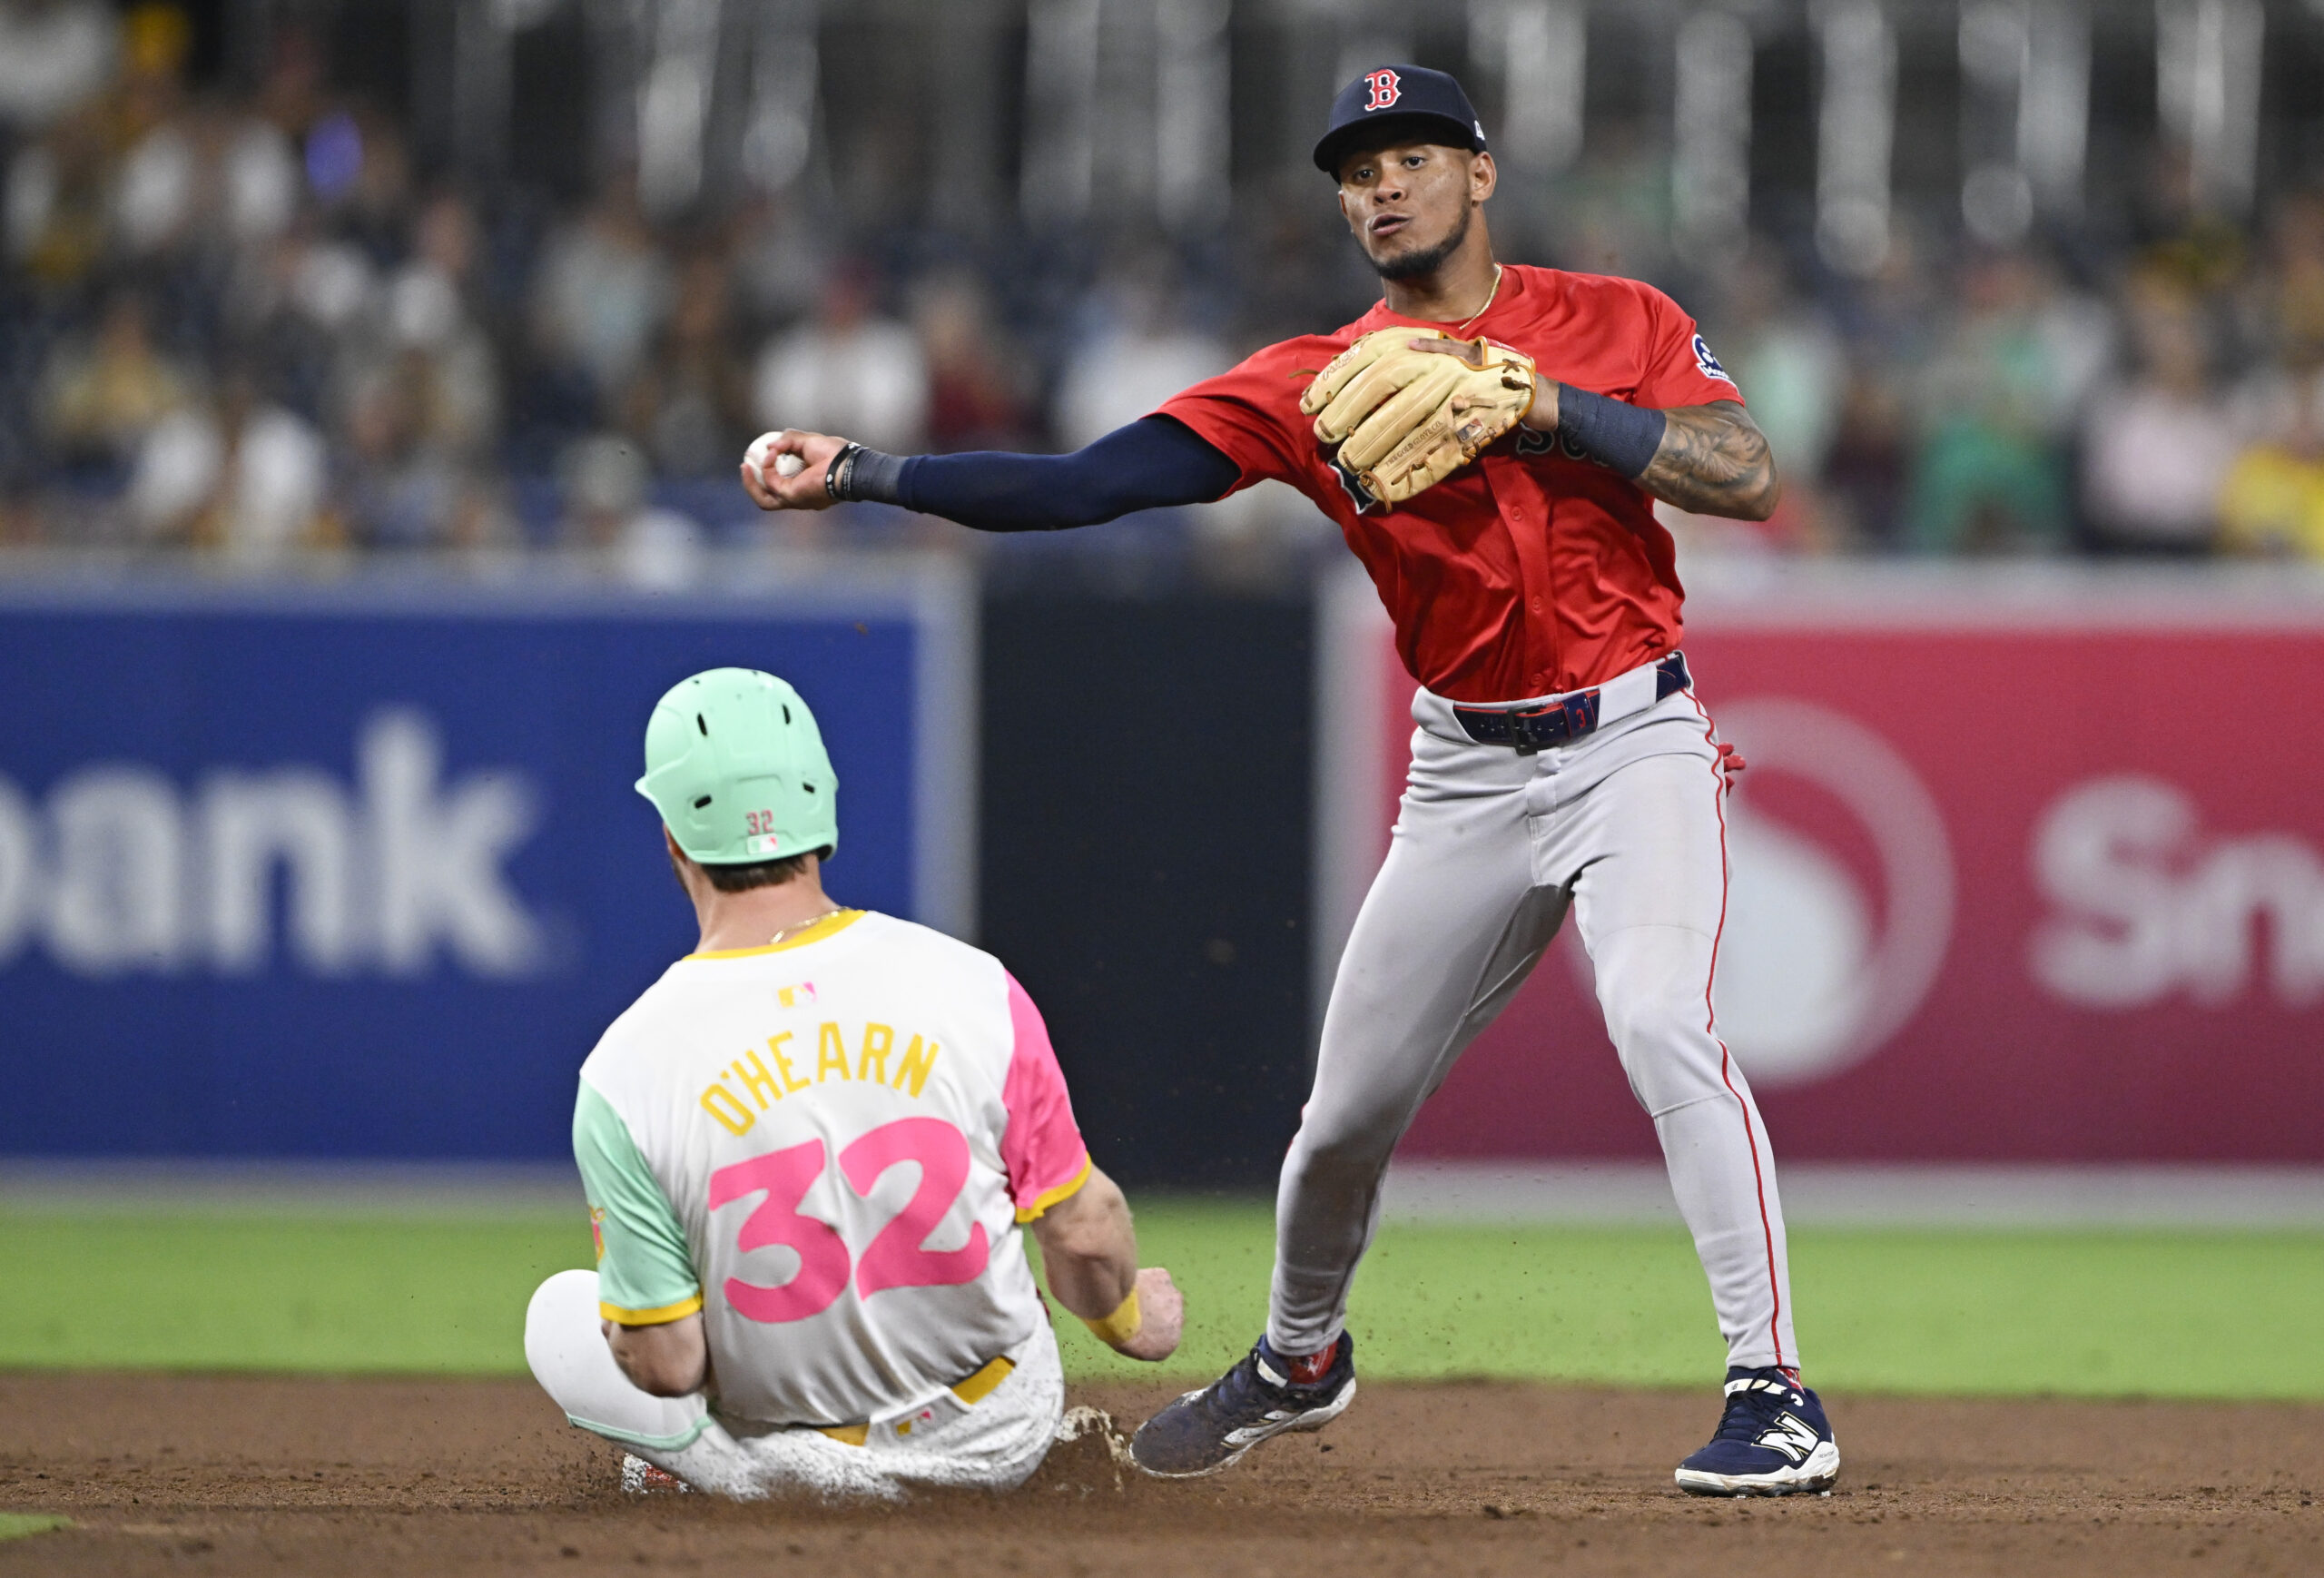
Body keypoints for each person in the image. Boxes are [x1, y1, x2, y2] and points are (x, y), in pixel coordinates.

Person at [738, 64, 1837, 1498]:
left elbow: (1748, 474)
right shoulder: (1315, 381)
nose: (1380, 185)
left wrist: (1548, 406)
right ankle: (1300, 1356)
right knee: (1339, 1123)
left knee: (1657, 1018)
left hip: (1635, 740)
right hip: (1462, 772)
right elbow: (1089, 483)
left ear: (1480, 174)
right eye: (1354, 166)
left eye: (1412, 155)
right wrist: (869, 472)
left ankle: (1775, 1391)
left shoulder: (1613, 320)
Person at [523, 667, 1184, 1501]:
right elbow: (1087, 1234)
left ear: (673, 840)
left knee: (559, 1314)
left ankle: (710, 1476)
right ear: (821, 814)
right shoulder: (974, 987)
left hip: (798, 1469)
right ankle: (1031, 1453)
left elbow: (667, 1363)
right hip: (1000, 1435)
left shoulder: (625, 1068)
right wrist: (1130, 1324)